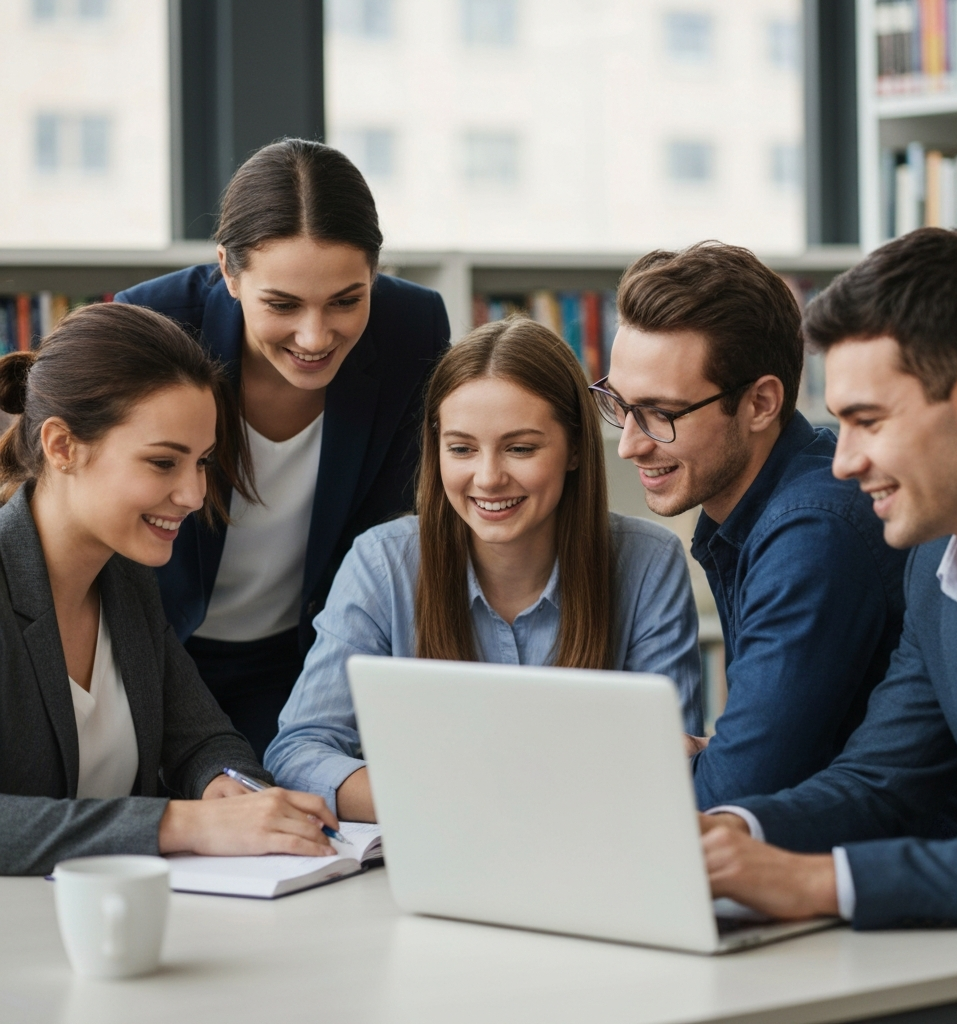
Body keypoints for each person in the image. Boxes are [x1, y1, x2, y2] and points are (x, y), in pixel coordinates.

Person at [700, 229, 957, 930]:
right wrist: (729, 834)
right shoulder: (937, 578)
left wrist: (822, 882)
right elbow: (880, 781)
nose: (842, 462)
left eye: (867, 421)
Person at [265, 318, 703, 822]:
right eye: (462, 448)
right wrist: (454, 801)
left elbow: (672, 761)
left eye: (520, 448)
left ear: (576, 448)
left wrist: (485, 796)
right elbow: (298, 752)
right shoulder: (382, 562)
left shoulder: (648, 561)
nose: (489, 478)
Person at [117, 139, 450, 760]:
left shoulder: (414, 328)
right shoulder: (153, 323)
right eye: (282, 304)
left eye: (347, 300)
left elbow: (390, 528)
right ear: (228, 272)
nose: (315, 336)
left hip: (306, 655)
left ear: (374, 273)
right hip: (151, 648)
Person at [0, 303, 339, 875]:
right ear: (61, 447)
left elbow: (205, 740)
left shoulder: (125, 579)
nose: (194, 494)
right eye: (163, 463)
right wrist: (182, 824)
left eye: (202, 462)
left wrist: (228, 791)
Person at [593, 243, 908, 808]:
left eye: (660, 414)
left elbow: (733, 796)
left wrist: (705, 762)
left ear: (761, 403)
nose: (630, 444)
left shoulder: (812, 533)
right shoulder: (771, 503)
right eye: (618, 403)